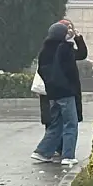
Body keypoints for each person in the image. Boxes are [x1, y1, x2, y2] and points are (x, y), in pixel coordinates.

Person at [31, 23, 81, 166]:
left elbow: (42, 70)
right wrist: (74, 38)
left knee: (56, 124)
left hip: (52, 93)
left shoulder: (45, 50)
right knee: (71, 124)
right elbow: (72, 67)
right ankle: (68, 156)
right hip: (66, 92)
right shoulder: (65, 48)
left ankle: (42, 152)